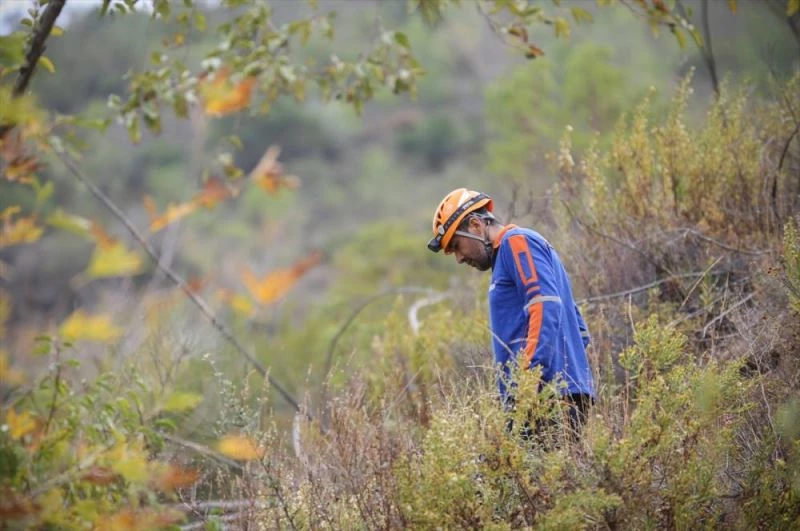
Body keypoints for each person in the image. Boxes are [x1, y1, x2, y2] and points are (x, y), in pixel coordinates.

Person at [427, 188, 595, 435]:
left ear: (475, 225)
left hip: (544, 399)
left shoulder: (515, 243)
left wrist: (527, 378)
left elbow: (544, 305)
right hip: (554, 396)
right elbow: (580, 331)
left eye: (456, 245)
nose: (459, 258)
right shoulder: (515, 253)